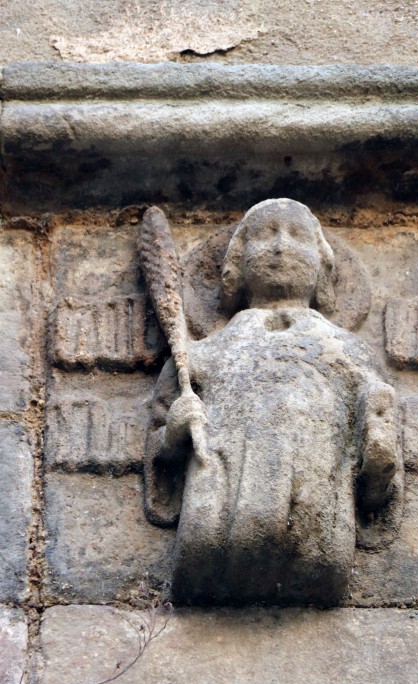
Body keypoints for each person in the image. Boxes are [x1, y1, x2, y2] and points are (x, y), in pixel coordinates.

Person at [144, 198, 400, 605]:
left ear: (324, 266)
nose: (281, 247)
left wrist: (378, 453)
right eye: (265, 234)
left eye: (298, 236)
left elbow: (379, 489)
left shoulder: (352, 356)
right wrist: (175, 430)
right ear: (235, 264)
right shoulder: (201, 357)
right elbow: (161, 448)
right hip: (215, 530)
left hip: (319, 535)